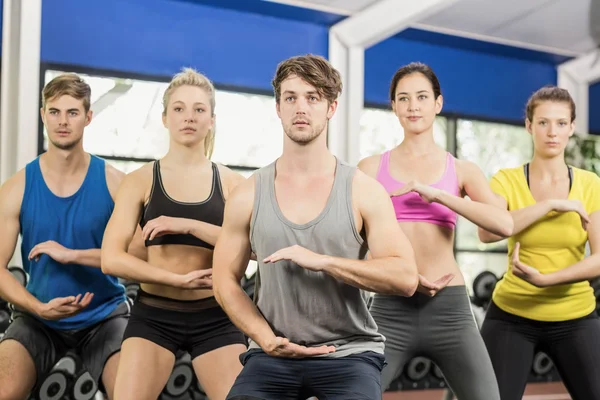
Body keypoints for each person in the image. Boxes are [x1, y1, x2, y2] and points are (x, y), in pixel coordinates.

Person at [212, 54, 420, 400]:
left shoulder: (362, 190)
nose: (300, 108)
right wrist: (265, 338)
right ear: (278, 107)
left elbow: (405, 277)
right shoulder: (248, 194)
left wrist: (325, 261)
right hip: (271, 353)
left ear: (331, 107)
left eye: (313, 97)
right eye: (291, 97)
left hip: (350, 354)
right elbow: (223, 280)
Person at [357, 62, 513, 399]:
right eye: (404, 98)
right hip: (389, 309)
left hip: (450, 309)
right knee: (351, 394)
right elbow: (350, 242)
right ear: (394, 106)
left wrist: (440, 194)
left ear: (437, 104)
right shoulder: (369, 169)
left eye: (422, 97)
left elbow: (503, 225)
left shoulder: (461, 170)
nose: (413, 105)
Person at [100, 68, 248, 400]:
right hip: (154, 314)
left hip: (217, 313)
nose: (189, 117)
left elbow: (250, 252)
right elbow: (111, 259)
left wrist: (189, 225)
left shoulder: (233, 184)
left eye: (199, 109)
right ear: (165, 118)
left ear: (212, 120)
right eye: (179, 108)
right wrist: (174, 280)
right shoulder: (139, 181)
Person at [0, 73, 143, 399]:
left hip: (104, 316)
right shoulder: (16, 188)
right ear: (43, 115)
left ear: (88, 117)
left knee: (132, 394)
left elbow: (139, 256)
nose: (62, 122)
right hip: (37, 318)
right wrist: (36, 305)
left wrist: (77, 254)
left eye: (73, 112)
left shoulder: (114, 183)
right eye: (54, 111)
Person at [478, 85, 600, 400]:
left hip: (574, 314)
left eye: (561, 123)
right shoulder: (506, 180)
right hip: (512, 315)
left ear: (572, 127)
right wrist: (549, 206)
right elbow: (487, 233)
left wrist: (548, 280)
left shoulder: (590, 185)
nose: (552, 132)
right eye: (543, 122)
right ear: (529, 125)